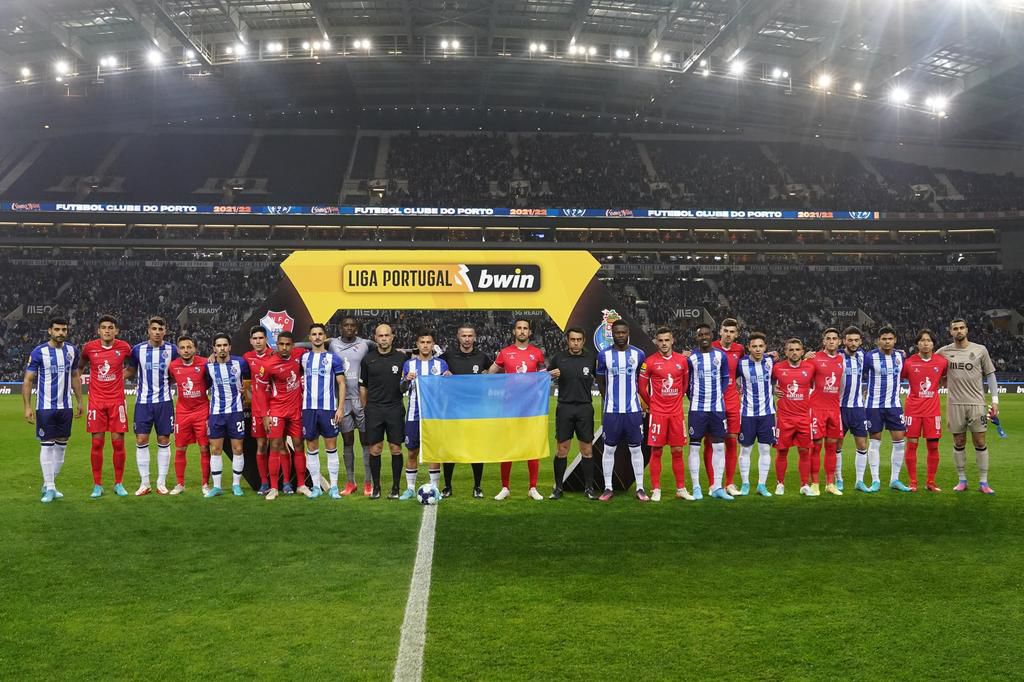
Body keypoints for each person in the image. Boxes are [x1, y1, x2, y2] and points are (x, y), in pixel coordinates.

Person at [23, 317, 83, 503]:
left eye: (64, 329)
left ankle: (49, 484)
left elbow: (74, 376)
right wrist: (27, 406)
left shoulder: (72, 351)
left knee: (62, 446)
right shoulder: (39, 352)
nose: (61, 333)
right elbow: (28, 380)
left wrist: (80, 401)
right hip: (45, 407)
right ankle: (50, 487)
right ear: (50, 331)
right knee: (47, 445)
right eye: (57, 329)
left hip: (65, 406)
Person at [937, 318, 999, 494]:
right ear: (950, 332)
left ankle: (983, 482)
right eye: (955, 328)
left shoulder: (980, 350)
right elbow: (930, 364)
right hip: (955, 404)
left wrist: (995, 401)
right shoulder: (943, 352)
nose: (959, 331)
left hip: (977, 403)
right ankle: (962, 480)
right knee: (959, 441)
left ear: (967, 330)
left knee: (980, 441)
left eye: (962, 328)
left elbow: (991, 375)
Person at [487, 318, 546, 501]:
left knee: (532, 446)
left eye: (525, 328)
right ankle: (505, 487)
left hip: (530, 407)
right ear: (514, 331)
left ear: (529, 332)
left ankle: (533, 487)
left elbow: (543, 375)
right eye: (519, 328)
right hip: (509, 406)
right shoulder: (505, 353)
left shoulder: (537, 353)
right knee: (508, 447)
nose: (522, 331)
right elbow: (491, 373)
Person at [80, 315, 132, 498]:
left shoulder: (124, 347)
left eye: (111, 327)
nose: (107, 330)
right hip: (96, 402)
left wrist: (119, 377)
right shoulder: (89, 348)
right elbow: (79, 367)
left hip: (117, 401)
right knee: (97, 443)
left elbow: (132, 368)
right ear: (98, 330)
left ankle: (119, 483)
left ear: (116, 331)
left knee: (118, 442)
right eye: (104, 327)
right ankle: (97, 485)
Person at [637, 326, 691, 501]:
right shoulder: (649, 362)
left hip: (676, 413)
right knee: (657, 450)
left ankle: (681, 488)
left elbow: (684, 385)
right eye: (660, 340)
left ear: (672, 340)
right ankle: (656, 489)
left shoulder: (682, 361)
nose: (664, 344)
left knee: (677, 451)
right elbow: (642, 387)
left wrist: (675, 399)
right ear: (656, 342)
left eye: (667, 340)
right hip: (658, 413)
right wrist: (653, 403)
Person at [596, 320, 647, 502]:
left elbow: (642, 381)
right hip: (612, 412)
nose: (620, 335)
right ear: (612, 333)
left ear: (628, 333)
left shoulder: (639, 354)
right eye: (617, 332)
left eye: (623, 332)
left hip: (633, 411)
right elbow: (600, 381)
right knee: (609, 450)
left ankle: (640, 488)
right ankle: (608, 487)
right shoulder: (604, 355)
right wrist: (608, 399)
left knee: (636, 449)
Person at [439, 324, 491, 498]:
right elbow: (432, 365)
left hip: (476, 411)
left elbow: (497, 372)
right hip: (453, 410)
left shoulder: (482, 357)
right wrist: (442, 373)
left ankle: (477, 486)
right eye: (464, 336)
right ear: (458, 337)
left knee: (476, 449)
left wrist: (487, 374)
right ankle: (447, 486)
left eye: (470, 336)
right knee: (450, 449)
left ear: (475, 338)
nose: (467, 339)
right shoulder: (448, 356)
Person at [547, 327, 598, 499]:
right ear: (567, 340)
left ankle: (589, 488)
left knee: (587, 449)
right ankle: (558, 488)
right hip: (565, 407)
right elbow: (545, 377)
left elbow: (603, 378)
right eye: (572, 339)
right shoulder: (558, 358)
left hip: (584, 407)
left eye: (578, 340)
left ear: (583, 341)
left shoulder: (591, 358)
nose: (575, 343)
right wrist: (551, 375)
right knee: (562, 449)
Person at [399, 329, 450, 499]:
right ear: (417, 344)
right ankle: (410, 488)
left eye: (429, 342)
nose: (425, 345)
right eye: (422, 342)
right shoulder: (409, 365)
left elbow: (446, 390)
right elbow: (401, 389)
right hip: (414, 415)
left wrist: (449, 379)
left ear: (433, 345)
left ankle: (434, 488)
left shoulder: (440, 364)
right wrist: (406, 380)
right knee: (412, 451)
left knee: (433, 453)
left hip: (433, 416)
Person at [359, 324, 408, 499]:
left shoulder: (402, 359)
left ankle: (395, 488)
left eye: (387, 335)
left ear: (393, 337)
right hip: (374, 409)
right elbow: (363, 386)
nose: (384, 338)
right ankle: (377, 487)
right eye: (381, 336)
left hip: (395, 407)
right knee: (375, 449)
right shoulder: (368, 359)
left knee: (396, 448)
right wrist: (367, 408)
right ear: (375, 338)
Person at [130, 316, 178, 496]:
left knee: (164, 440)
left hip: (164, 402)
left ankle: (161, 483)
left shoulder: (172, 350)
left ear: (165, 331)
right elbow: (131, 370)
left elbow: (177, 371)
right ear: (148, 330)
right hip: (143, 402)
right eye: (154, 329)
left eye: (161, 329)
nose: (157, 332)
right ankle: (145, 483)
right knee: (141, 440)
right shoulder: (137, 350)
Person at [328, 317, 375, 496]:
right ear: (340, 327)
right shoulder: (332, 344)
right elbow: (311, 344)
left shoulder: (365, 344)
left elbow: (384, 348)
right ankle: (350, 482)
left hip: (361, 400)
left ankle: (368, 483)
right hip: (342, 401)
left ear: (357, 328)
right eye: (345, 325)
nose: (349, 328)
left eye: (352, 325)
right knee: (347, 442)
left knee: (366, 442)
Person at [260, 331, 309, 500]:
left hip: (295, 410)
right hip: (277, 411)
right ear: (276, 345)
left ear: (293, 346)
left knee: (299, 446)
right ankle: (274, 487)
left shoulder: (298, 355)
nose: (284, 347)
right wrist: (265, 415)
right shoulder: (269, 365)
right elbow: (261, 391)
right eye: (281, 344)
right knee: (275, 446)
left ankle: (301, 485)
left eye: (288, 344)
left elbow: (312, 346)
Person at [686, 323, 732, 501]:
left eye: (706, 334)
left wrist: (718, 394)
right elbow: (687, 383)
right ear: (696, 337)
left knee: (719, 447)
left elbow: (725, 378)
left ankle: (717, 487)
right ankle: (696, 487)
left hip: (717, 409)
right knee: (694, 447)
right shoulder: (691, 358)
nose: (704, 337)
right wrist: (694, 397)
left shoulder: (721, 356)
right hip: (697, 409)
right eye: (700, 335)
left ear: (712, 335)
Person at [301, 323, 347, 499]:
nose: (317, 337)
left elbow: (342, 383)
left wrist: (340, 407)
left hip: (328, 409)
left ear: (325, 337)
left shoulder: (334, 359)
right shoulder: (303, 359)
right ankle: (316, 487)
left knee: (331, 447)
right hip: (309, 409)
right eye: (314, 334)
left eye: (320, 334)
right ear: (310, 337)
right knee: (311, 447)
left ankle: (334, 487)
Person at [901, 329, 948, 492]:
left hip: (932, 411)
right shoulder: (909, 362)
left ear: (933, 344)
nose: (925, 343)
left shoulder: (941, 362)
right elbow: (899, 377)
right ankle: (913, 482)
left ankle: (931, 482)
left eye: (928, 340)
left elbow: (946, 378)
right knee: (912, 445)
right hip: (913, 410)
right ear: (917, 344)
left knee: (933, 446)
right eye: (922, 340)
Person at [863, 325, 908, 493]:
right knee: (874, 443)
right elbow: (861, 375)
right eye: (884, 339)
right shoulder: (870, 357)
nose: (887, 342)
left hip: (894, 405)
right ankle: (875, 480)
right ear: (878, 341)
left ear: (895, 340)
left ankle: (894, 479)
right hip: (873, 406)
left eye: (890, 339)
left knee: (899, 443)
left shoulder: (900, 356)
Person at [204, 333, 250, 498]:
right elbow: (204, 385)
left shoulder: (240, 363)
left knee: (238, 449)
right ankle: (216, 487)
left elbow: (249, 380)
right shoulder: (208, 366)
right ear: (214, 349)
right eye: (218, 346)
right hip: (216, 413)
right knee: (215, 449)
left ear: (229, 347)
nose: (222, 348)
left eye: (225, 345)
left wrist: (246, 392)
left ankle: (236, 485)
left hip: (236, 412)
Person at [772, 338, 817, 496]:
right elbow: (768, 382)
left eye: (797, 349)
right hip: (784, 418)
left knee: (804, 451)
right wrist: (772, 389)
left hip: (804, 417)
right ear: (785, 352)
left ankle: (804, 484)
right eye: (791, 350)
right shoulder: (777, 368)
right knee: (782, 451)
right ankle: (780, 484)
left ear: (802, 351)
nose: (794, 352)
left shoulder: (810, 367)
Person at [167, 335, 211, 495]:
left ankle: (205, 484)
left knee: (205, 448)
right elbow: (169, 381)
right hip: (183, 412)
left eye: (189, 347)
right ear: (178, 350)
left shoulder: (205, 363)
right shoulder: (173, 366)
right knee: (180, 447)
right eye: (183, 348)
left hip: (202, 411)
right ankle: (180, 484)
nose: (186, 350)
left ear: (195, 349)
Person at [707, 318, 744, 496]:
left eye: (732, 331)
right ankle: (713, 483)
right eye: (725, 330)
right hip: (713, 402)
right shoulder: (710, 347)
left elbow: (746, 366)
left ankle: (729, 483)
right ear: (720, 331)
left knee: (731, 441)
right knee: (711, 442)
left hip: (732, 401)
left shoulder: (739, 350)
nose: (728, 334)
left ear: (736, 334)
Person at [736, 332, 776, 497]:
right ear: (748, 348)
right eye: (754, 346)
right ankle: (745, 484)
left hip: (767, 414)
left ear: (765, 347)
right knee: (745, 450)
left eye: (761, 346)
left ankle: (762, 485)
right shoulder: (741, 364)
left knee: (765, 449)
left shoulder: (770, 361)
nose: (758, 349)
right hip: (747, 414)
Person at [808, 328, 845, 496]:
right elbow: (802, 378)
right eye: (828, 338)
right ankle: (815, 483)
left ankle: (830, 483)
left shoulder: (840, 360)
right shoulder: (814, 358)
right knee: (816, 447)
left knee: (831, 447)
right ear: (823, 341)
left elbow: (842, 386)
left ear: (839, 342)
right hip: (816, 409)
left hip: (834, 409)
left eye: (834, 338)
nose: (831, 341)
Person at [243, 326, 274, 495]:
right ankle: (264, 482)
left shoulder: (274, 355)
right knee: (261, 445)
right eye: (255, 338)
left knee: (279, 445)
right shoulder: (247, 358)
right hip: (257, 408)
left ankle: (283, 482)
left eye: (261, 338)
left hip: (276, 406)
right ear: (251, 341)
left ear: (266, 339)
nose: (258, 341)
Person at [837, 326, 868, 493]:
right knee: (837, 445)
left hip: (857, 408)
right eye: (850, 340)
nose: (853, 343)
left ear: (861, 341)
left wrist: (898, 352)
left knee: (862, 445)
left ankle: (859, 481)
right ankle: (838, 479)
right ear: (844, 341)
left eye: (856, 340)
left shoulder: (864, 356)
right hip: (839, 408)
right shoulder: (837, 356)